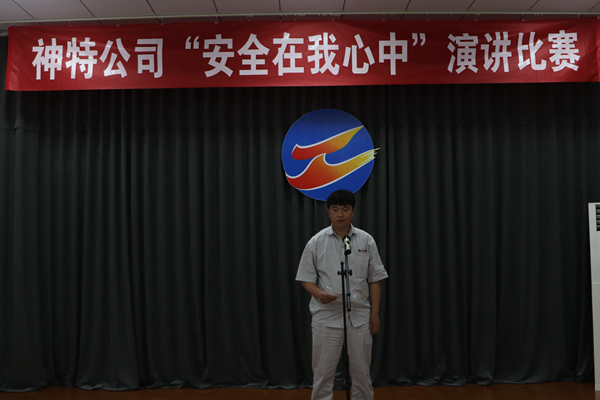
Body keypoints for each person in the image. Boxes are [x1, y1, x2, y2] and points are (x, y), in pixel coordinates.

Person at [296, 189, 388, 400]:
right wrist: (319, 293)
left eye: (345, 209)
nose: (340, 214)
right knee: (323, 375)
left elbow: (375, 280)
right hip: (326, 316)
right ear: (328, 212)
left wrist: (374, 313)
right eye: (335, 209)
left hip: (359, 316)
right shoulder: (316, 242)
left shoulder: (366, 240)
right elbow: (305, 278)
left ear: (353, 212)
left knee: (362, 375)